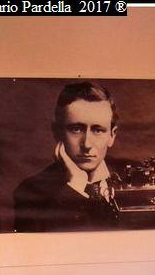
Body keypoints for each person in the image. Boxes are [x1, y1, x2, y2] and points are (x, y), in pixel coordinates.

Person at [13, 82, 121, 232]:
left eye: (98, 130)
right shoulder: (31, 193)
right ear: (57, 132)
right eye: (76, 129)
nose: (87, 144)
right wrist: (75, 185)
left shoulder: (140, 177)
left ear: (112, 136)